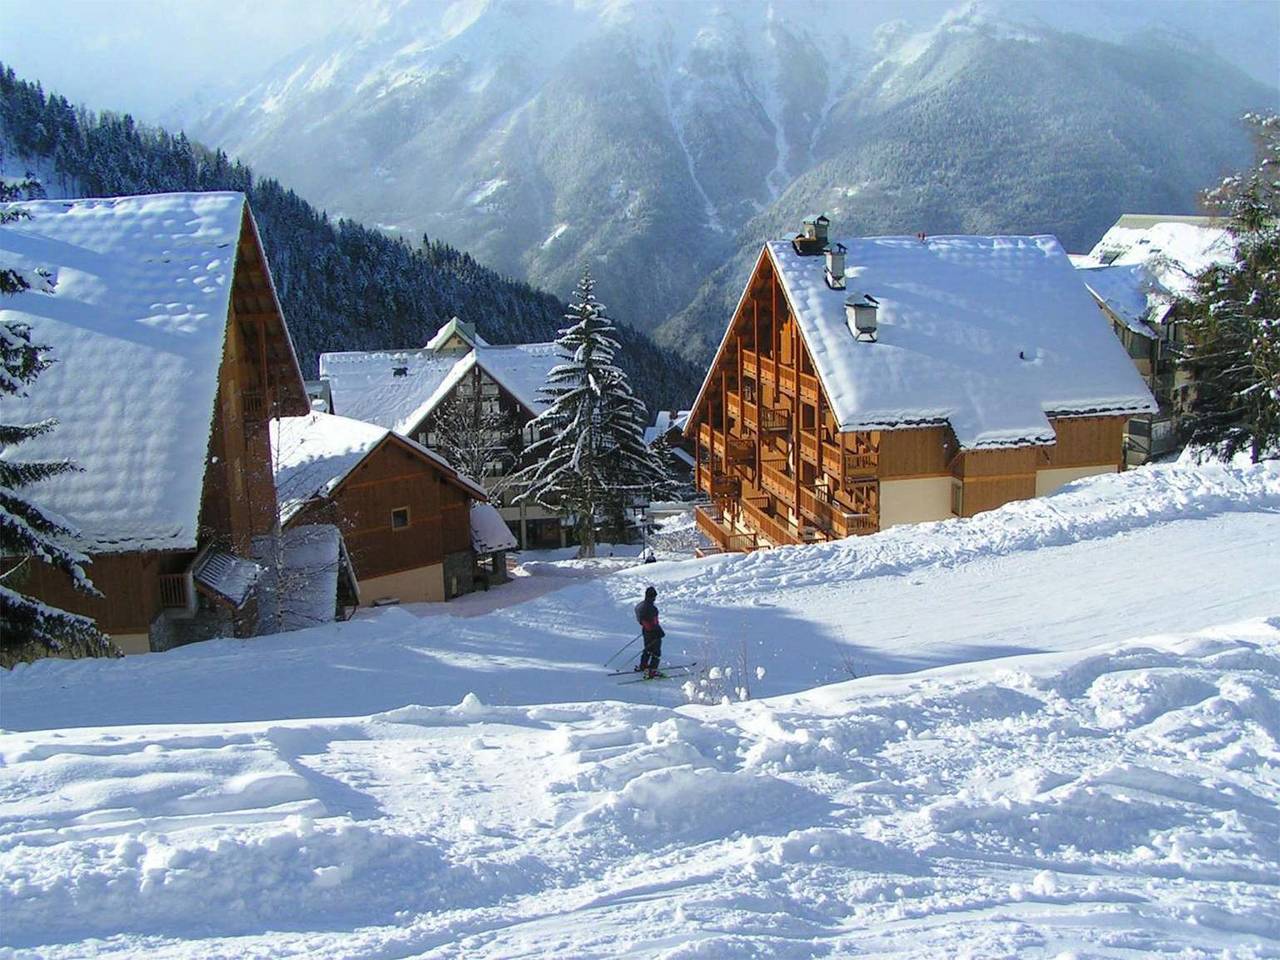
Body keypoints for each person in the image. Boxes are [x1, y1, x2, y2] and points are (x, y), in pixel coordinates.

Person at [633, 585, 665, 677]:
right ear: (653, 596)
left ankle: (643, 666)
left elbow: (642, 620)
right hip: (653, 633)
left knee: (647, 649)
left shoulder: (640, 606)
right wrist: (659, 632)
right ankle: (652, 671)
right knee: (656, 652)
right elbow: (654, 622)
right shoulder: (652, 608)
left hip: (645, 631)